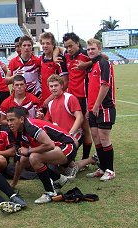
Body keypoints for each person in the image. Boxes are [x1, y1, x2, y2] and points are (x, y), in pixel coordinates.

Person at [7, 107, 74, 204]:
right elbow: (20, 160)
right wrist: (13, 184)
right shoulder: (15, 131)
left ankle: (50, 192)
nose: (9, 123)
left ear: (21, 119)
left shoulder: (30, 126)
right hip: (56, 148)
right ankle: (58, 178)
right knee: (24, 159)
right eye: (8, 120)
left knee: (34, 157)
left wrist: (29, 150)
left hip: (67, 146)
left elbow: (50, 145)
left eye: (12, 120)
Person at [38, 74, 97, 178]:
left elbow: (79, 118)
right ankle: (90, 160)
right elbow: (49, 125)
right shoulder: (51, 103)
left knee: (61, 163)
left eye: (56, 85)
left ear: (61, 85)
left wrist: (70, 134)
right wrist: (42, 119)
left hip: (74, 135)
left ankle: (74, 165)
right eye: (51, 86)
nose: (53, 88)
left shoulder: (69, 98)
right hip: (61, 138)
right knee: (56, 167)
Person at [86, 38, 116, 181]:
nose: (90, 51)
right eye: (89, 49)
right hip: (92, 109)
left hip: (104, 107)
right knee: (96, 137)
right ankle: (102, 168)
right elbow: (90, 89)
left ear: (99, 49)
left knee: (104, 137)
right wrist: (89, 108)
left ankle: (110, 170)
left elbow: (105, 85)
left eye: (93, 49)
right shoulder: (91, 66)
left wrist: (97, 104)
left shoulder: (104, 63)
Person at [62, 32, 93, 161]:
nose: (69, 49)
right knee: (72, 127)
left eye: (71, 46)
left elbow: (104, 58)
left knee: (85, 128)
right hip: (71, 98)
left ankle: (85, 159)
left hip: (83, 98)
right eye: (66, 47)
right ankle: (71, 156)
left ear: (77, 43)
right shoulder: (67, 56)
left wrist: (85, 65)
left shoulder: (85, 54)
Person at [38, 32, 68, 104]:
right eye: (43, 43)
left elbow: (65, 83)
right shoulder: (41, 59)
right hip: (44, 99)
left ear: (53, 45)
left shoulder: (59, 59)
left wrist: (50, 98)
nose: (45, 46)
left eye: (48, 43)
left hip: (57, 99)